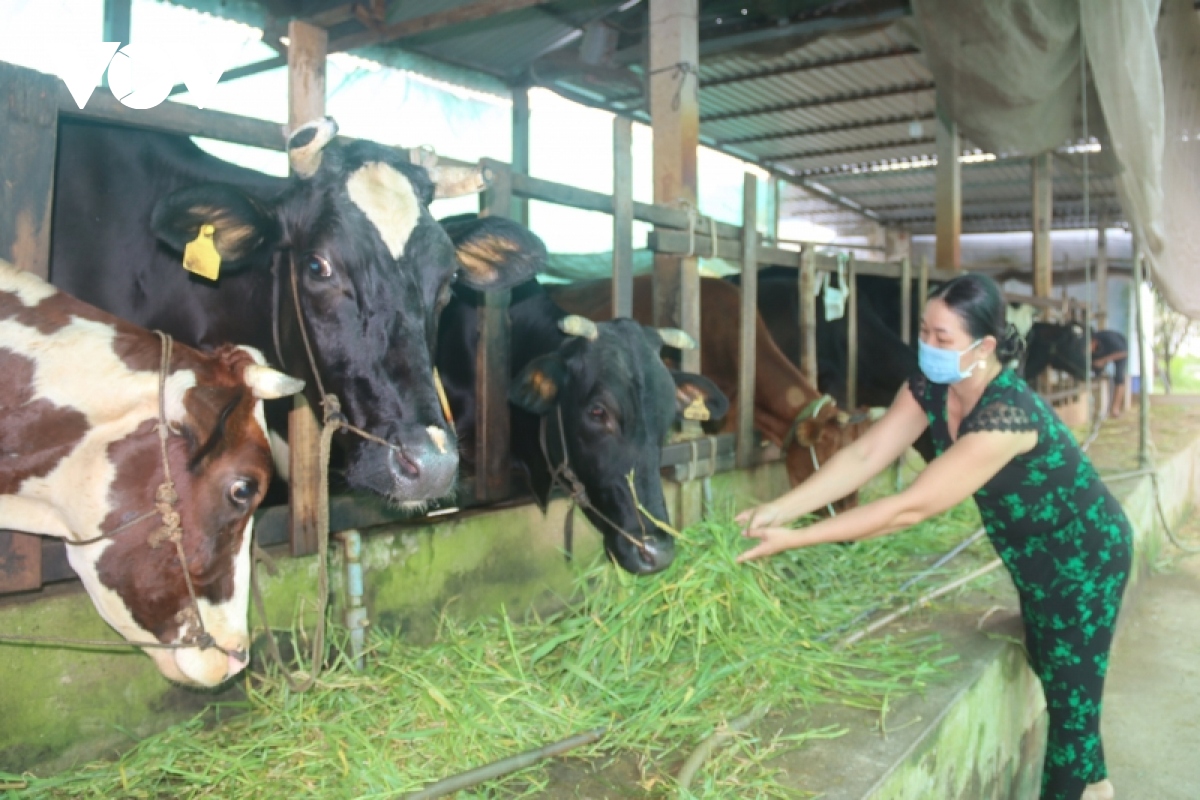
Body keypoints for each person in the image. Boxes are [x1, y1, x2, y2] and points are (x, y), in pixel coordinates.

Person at [736, 273, 1131, 800]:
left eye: (942, 338)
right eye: (924, 331)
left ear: (984, 346)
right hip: (1029, 557)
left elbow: (908, 508)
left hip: (1087, 555)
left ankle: (1083, 787)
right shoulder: (927, 385)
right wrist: (778, 509)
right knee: (1058, 672)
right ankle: (1098, 783)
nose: (927, 345)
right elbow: (864, 455)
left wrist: (796, 537)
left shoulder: (1006, 416)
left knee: (1069, 713)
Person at [1091, 329, 1128, 418]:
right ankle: (1098, 405)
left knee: (1119, 376)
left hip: (1121, 351)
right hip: (1104, 351)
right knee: (1095, 366)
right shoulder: (1093, 341)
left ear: (1094, 342)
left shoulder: (1111, 340)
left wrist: (1103, 360)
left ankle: (1115, 409)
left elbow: (1124, 353)